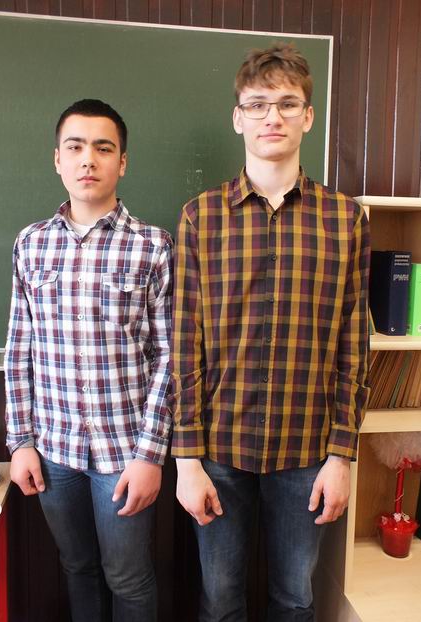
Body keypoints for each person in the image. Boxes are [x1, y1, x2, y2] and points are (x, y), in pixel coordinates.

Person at [170, 43, 370, 621]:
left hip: (308, 449)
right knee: (220, 600)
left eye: (287, 104)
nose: (272, 117)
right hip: (219, 448)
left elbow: (353, 342)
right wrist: (186, 459)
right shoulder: (201, 216)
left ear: (308, 116)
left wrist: (342, 455)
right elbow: (185, 342)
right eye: (257, 105)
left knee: (295, 598)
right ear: (238, 118)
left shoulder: (345, 218)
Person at [5, 99, 173, 622]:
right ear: (58, 158)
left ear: (122, 162)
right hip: (54, 450)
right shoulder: (31, 244)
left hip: (125, 451)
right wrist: (20, 442)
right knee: (77, 567)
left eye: (103, 148)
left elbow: (169, 356)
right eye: (75, 147)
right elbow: (19, 348)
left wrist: (150, 455)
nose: (88, 160)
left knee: (128, 576)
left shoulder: (153, 247)